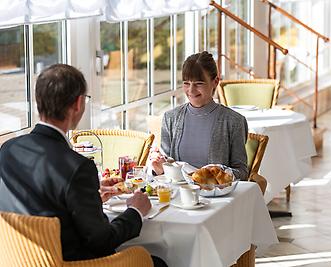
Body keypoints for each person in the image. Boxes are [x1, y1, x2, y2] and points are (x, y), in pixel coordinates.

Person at [0, 64, 167, 266]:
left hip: (17, 259)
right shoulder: (77, 167)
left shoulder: (8, 150)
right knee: (157, 260)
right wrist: (136, 212)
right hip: (69, 262)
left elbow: (41, 204)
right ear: (78, 103)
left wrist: (90, 198)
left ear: (38, 103)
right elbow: (102, 241)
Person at [151, 51, 248, 181]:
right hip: (178, 196)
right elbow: (166, 168)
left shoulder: (234, 121)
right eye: (186, 83)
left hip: (216, 198)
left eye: (199, 83)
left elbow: (242, 172)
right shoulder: (170, 118)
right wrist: (158, 168)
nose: (191, 90)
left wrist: (221, 172)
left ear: (215, 82)